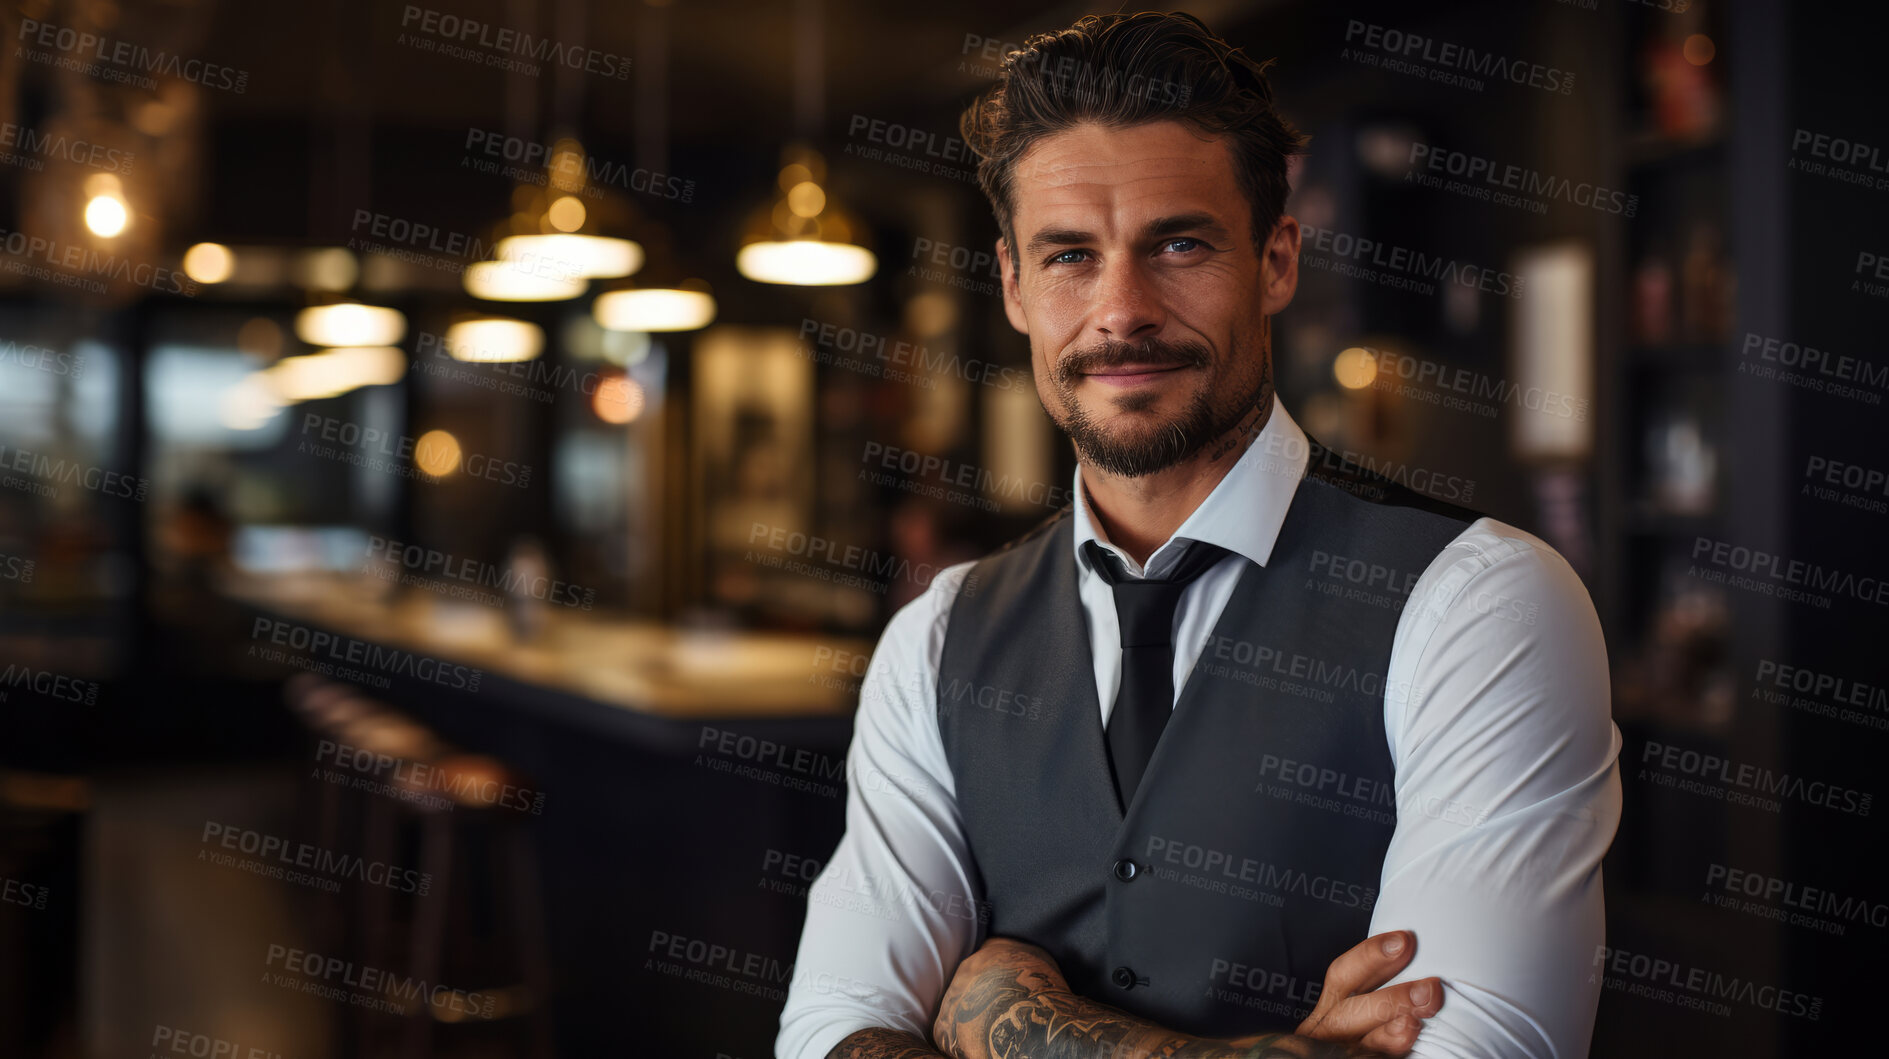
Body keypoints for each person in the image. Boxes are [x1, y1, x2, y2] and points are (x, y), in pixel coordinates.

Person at [777, 12, 1622, 1059]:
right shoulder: (939, 637)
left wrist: (996, 1013)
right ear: (1011, 286)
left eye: (1176, 244)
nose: (1119, 310)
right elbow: (827, 1035)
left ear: (1274, 260)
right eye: (1068, 256)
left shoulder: (1480, 603)